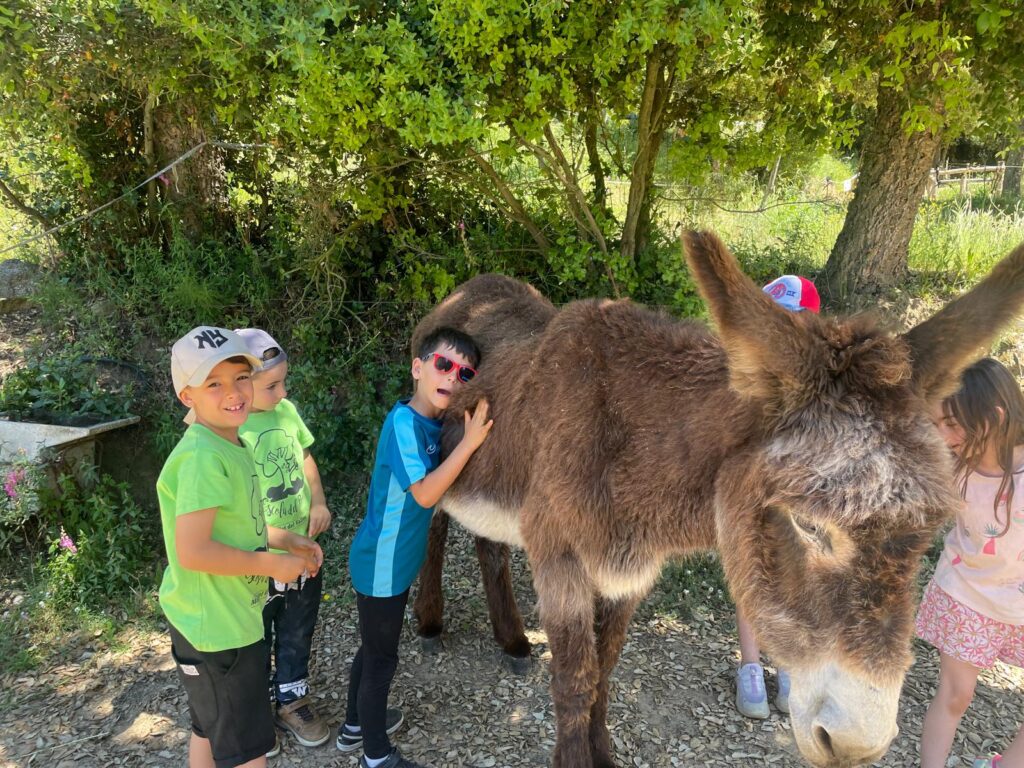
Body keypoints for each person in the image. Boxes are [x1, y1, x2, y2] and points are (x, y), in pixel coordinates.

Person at [158, 326, 323, 768]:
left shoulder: (233, 442)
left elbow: (238, 525)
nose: (233, 392)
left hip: (217, 620)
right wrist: (272, 564)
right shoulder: (203, 458)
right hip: (219, 631)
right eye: (213, 383)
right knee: (249, 751)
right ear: (187, 396)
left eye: (241, 377)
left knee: (208, 728)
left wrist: (284, 538)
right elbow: (194, 551)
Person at [341, 327, 493, 768]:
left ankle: (355, 725)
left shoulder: (433, 424)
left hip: (396, 564)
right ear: (417, 368)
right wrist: (470, 443)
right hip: (381, 565)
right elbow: (426, 494)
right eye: (443, 364)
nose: (452, 376)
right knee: (381, 660)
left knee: (372, 648)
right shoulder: (403, 424)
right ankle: (375, 755)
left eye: (465, 373)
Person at [917, 357, 1024, 768]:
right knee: (956, 695)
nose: (942, 436)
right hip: (967, 595)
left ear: (994, 417)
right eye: (936, 424)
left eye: (952, 424)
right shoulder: (949, 466)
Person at [236, 328, 333, 750]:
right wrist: (281, 542)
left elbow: (305, 458)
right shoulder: (233, 430)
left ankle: (292, 699)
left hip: (301, 555)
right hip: (257, 562)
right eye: (272, 386)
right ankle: (254, 708)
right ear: (243, 384)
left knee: (297, 628)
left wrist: (319, 501)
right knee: (254, 636)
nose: (283, 392)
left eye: (283, 382)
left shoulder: (287, 412)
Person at [734, 275, 821, 720]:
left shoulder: (822, 380)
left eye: (794, 321)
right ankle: (750, 666)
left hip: (796, 499)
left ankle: (786, 663)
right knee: (751, 575)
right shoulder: (747, 373)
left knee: (792, 580)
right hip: (752, 492)